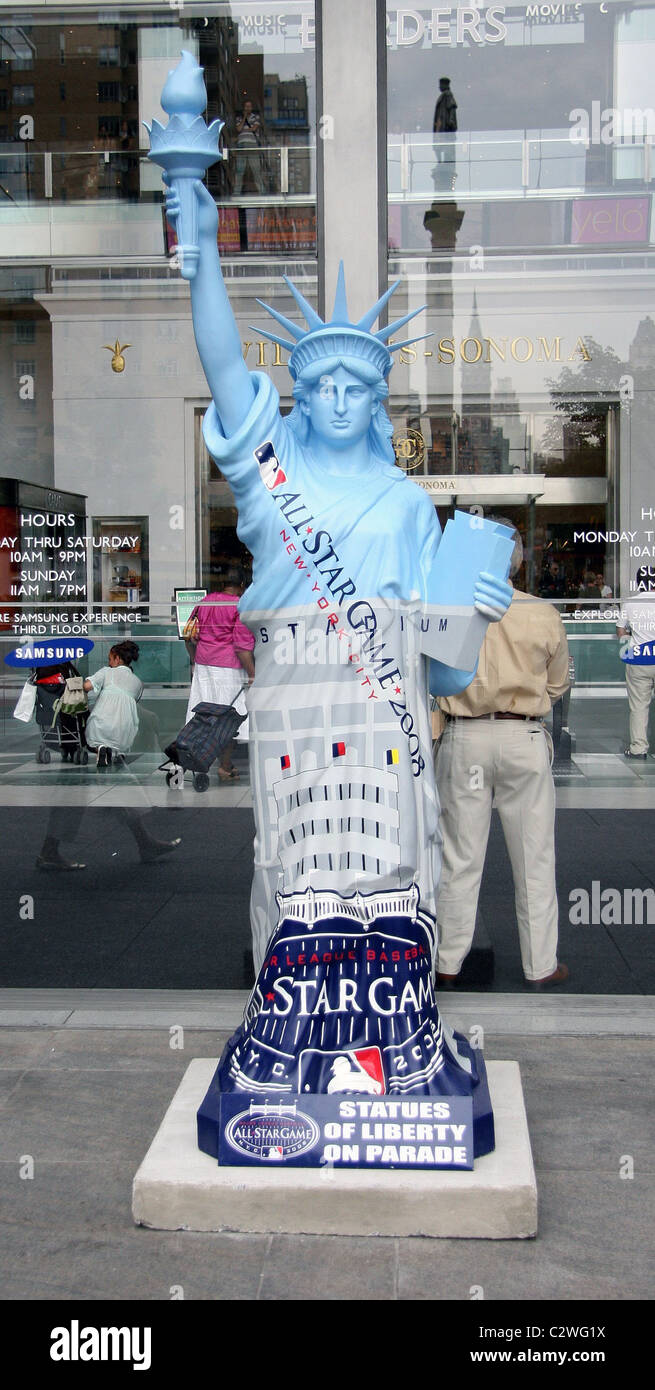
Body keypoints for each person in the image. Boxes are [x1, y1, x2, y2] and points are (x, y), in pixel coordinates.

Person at [164, 167, 513, 1114]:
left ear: (379, 396)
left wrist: (477, 602)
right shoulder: (268, 475)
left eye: (358, 384)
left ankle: (392, 1045)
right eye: (319, 384)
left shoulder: (408, 505)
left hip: (388, 724)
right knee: (290, 876)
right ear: (300, 394)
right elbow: (225, 364)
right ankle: (290, 1048)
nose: (338, 399)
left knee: (391, 875)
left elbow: (444, 666)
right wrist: (197, 251)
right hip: (293, 715)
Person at [435, 520, 571, 990]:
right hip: (523, 738)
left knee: (459, 857)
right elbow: (556, 684)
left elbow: (432, 679)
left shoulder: (452, 613)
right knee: (534, 858)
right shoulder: (543, 613)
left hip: (465, 736)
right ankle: (540, 966)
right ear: (518, 562)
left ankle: (447, 963)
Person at [184, 566, 255, 781]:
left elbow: (188, 636)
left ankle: (195, 760)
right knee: (228, 720)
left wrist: (195, 661)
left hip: (204, 666)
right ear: (242, 585)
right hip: (229, 669)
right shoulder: (240, 606)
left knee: (202, 715)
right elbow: (242, 647)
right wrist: (253, 674)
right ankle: (224, 766)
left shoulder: (205, 602)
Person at [83, 640, 143, 768]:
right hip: (125, 728)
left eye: (110, 659)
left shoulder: (107, 672)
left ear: (118, 659)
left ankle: (102, 747)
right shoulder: (138, 682)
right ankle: (120, 752)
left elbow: (87, 686)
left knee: (95, 733)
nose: (109, 663)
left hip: (101, 724)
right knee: (123, 733)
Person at [616, 568, 655, 759]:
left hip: (640, 659)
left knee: (639, 705)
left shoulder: (631, 603)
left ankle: (638, 748)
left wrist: (629, 639)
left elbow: (620, 630)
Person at [232, 100, 265, 196]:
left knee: (256, 169)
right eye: (246, 106)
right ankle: (236, 192)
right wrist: (244, 119)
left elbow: (254, 128)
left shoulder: (256, 117)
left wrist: (244, 129)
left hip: (252, 145)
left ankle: (261, 191)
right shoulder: (239, 118)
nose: (248, 108)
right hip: (241, 145)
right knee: (239, 170)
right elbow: (238, 129)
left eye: (249, 106)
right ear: (244, 108)